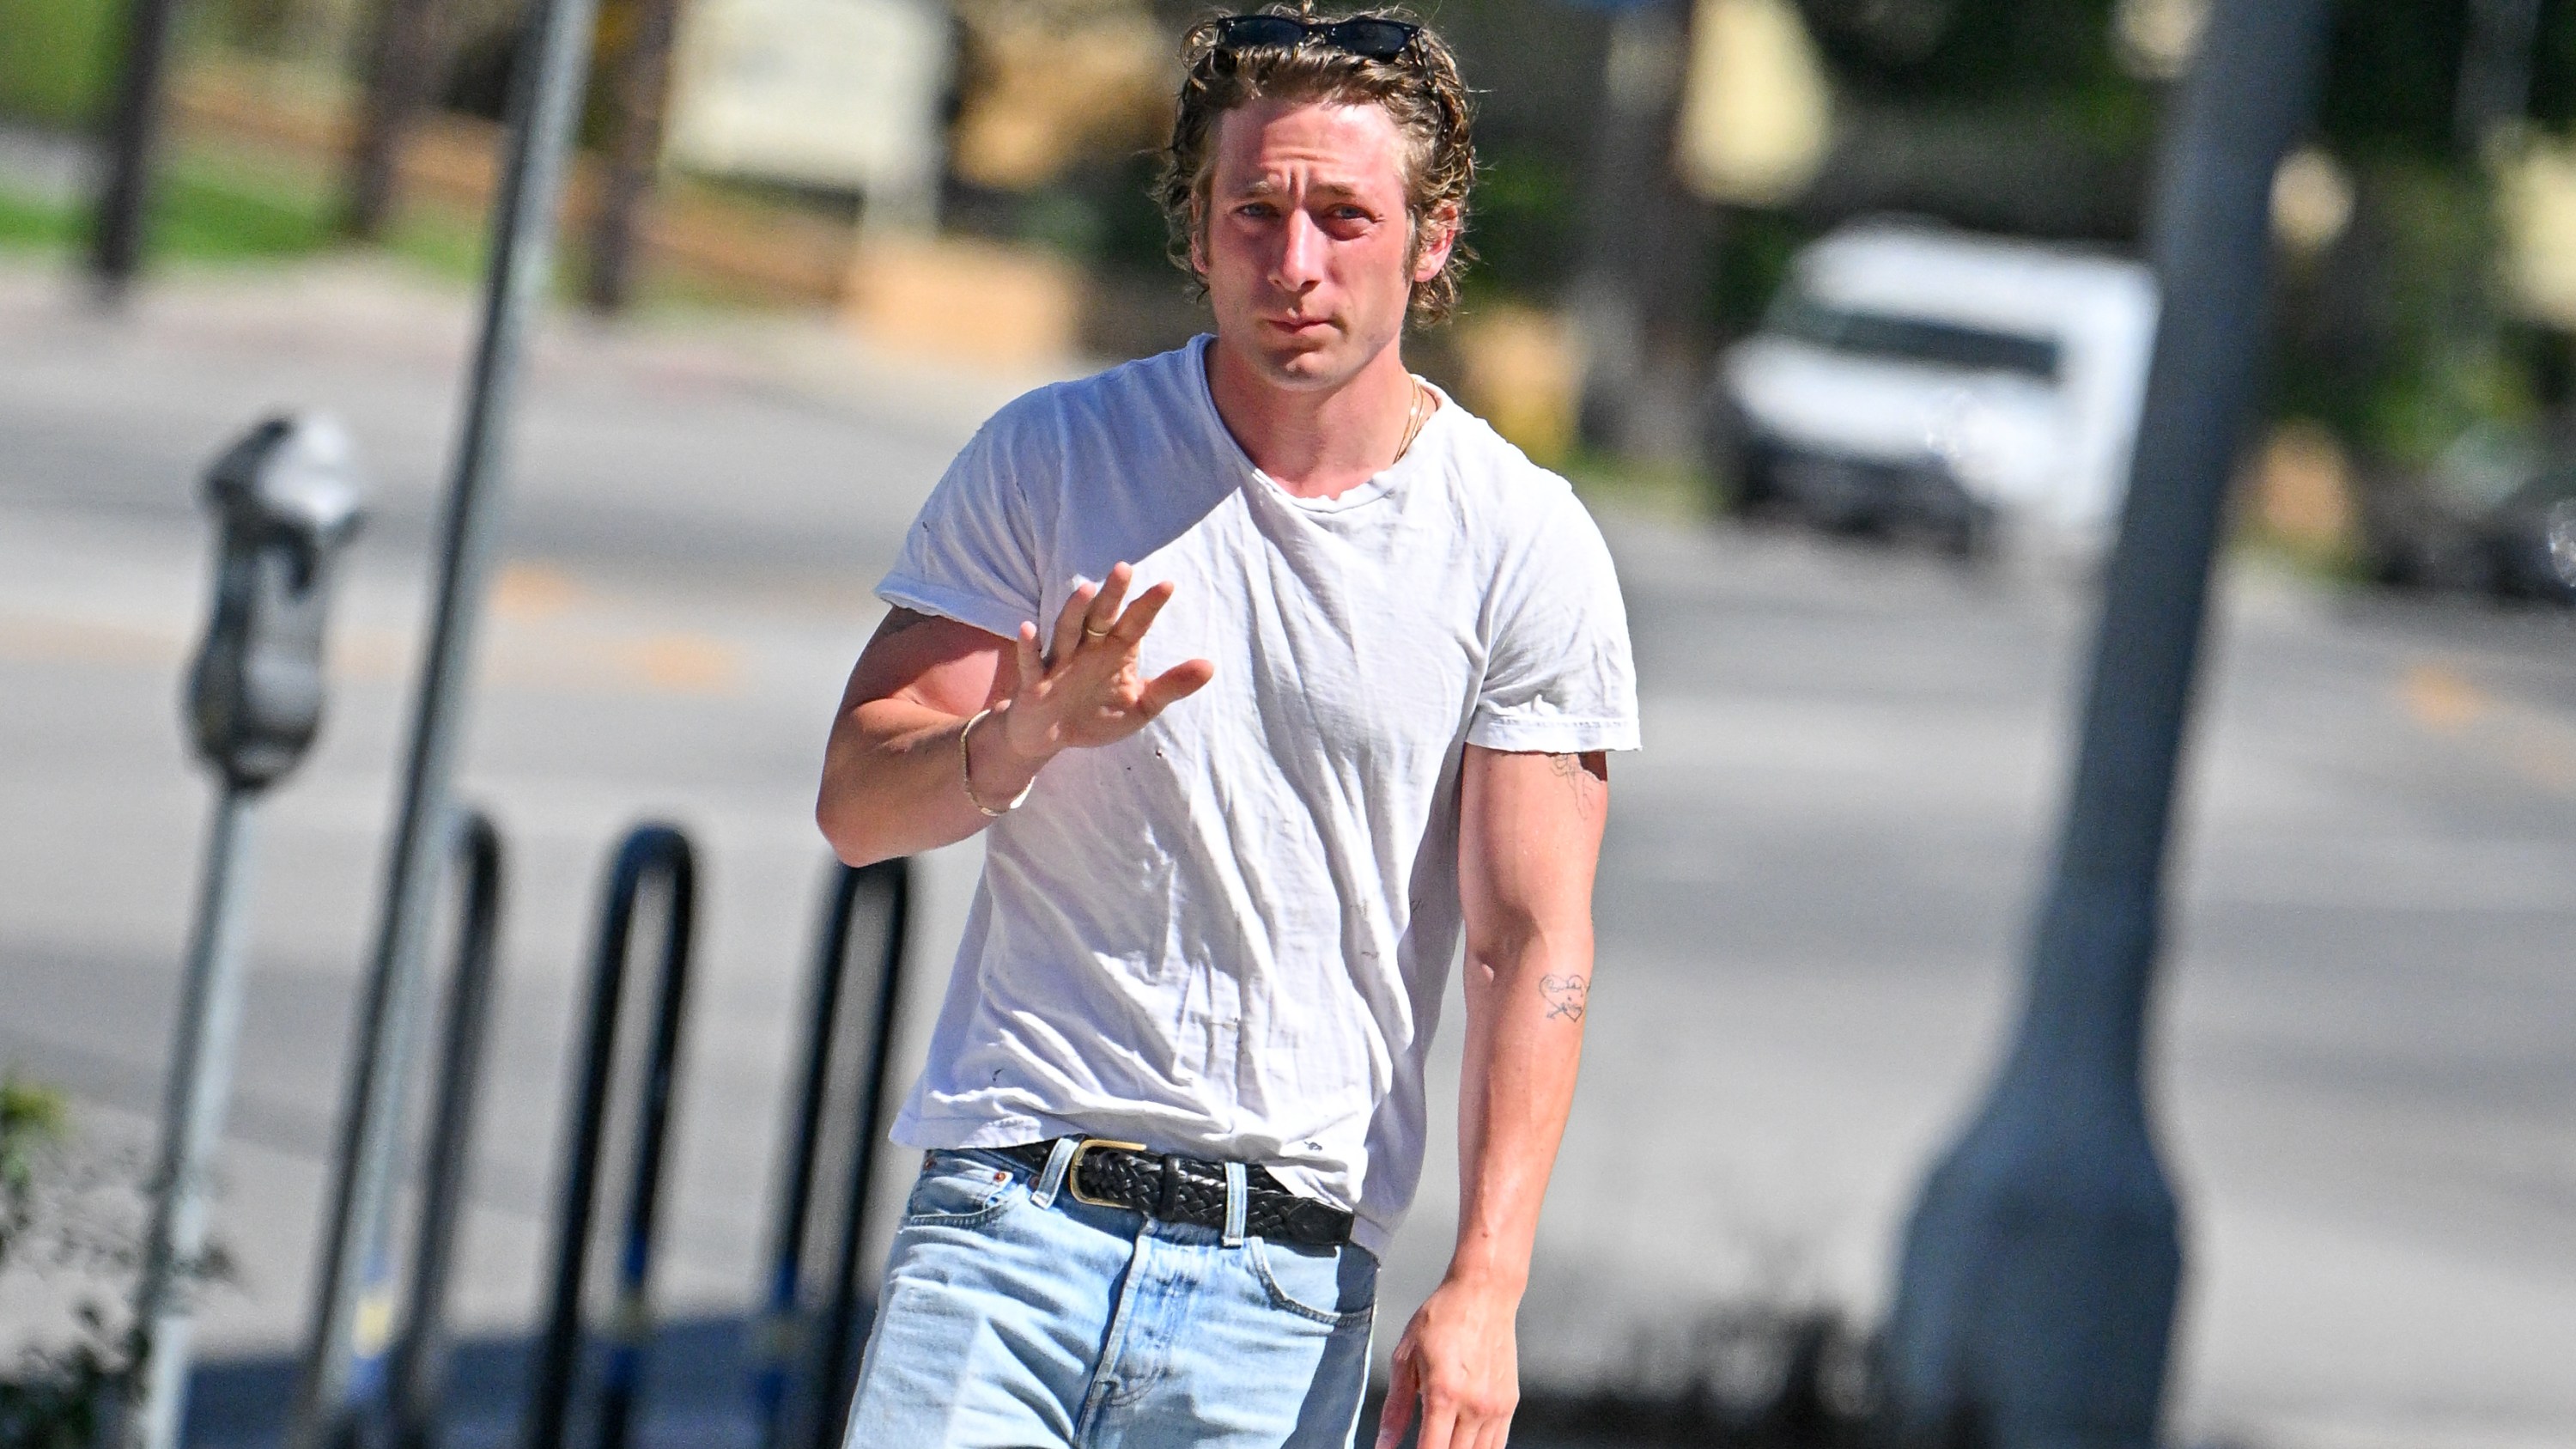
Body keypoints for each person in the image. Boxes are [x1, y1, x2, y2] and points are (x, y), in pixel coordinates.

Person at [813, 9, 1638, 1446]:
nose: (1296, 262)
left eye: (1344, 215)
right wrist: (1019, 735)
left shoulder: (1521, 542)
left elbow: (1531, 939)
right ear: (1195, 229)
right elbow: (856, 806)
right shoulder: (1054, 458)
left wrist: (1488, 1283)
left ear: (1431, 240)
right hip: (1008, 1221)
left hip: (1283, 1293)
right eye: (1255, 210)